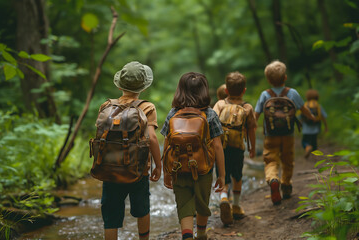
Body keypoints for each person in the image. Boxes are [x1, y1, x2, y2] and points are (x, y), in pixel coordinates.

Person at [99, 61, 162, 240]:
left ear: (120, 85)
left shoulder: (106, 106)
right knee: (142, 209)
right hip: (138, 169)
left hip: (110, 169)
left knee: (111, 214)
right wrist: (159, 165)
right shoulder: (147, 107)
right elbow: (151, 138)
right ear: (142, 86)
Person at [161, 72, 225, 240]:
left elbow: (167, 144)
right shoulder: (210, 114)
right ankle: (202, 234)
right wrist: (222, 175)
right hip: (204, 168)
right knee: (202, 202)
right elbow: (218, 146)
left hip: (178, 167)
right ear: (204, 91)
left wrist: (166, 172)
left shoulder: (173, 113)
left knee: (184, 204)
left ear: (180, 90)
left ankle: (187, 235)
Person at [254, 60, 315, 205]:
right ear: (285, 78)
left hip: (270, 135)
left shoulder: (264, 95)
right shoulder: (292, 93)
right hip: (288, 134)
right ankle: (286, 185)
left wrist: (251, 126)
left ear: (268, 79)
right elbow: (303, 108)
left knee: (270, 160)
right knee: (288, 161)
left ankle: (273, 178)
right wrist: (311, 116)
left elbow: (255, 115)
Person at [213, 72, 256, 224]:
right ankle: (236, 206)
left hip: (221, 148)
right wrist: (252, 147)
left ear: (226, 91)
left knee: (222, 175)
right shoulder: (247, 107)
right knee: (237, 176)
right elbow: (251, 129)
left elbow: (211, 124)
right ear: (244, 90)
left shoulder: (219, 104)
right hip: (238, 147)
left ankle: (224, 198)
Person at [300, 89, 328, 158]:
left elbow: (301, 117)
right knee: (314, 142)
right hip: (315, 128)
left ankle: (307, 147)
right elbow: (323, 117)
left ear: (307, 97)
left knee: (304, 141)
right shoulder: (318, 106)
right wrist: (326, 127)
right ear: (317, 97)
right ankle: (315, 156)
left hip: (306, 129)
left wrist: (300, 125)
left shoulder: (305, 105)